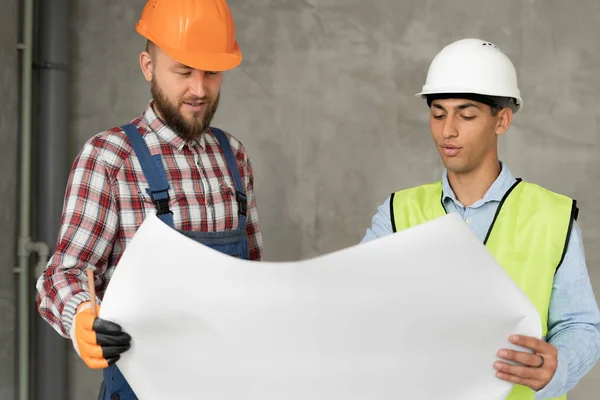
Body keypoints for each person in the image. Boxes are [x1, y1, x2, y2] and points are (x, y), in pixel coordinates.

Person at [35, 0, 263, 398]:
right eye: (183, 71)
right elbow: (61, 276)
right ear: (148, 67)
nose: (199, 88)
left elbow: (257, 279)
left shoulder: (234, 156)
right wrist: (82, 318)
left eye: (211, 72)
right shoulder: (110, 158)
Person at [361, 38, 600, 399]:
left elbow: (579, 323)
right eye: (438, 113)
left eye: (466, 115)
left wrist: (559, 365)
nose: (447, 131)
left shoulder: (552, 216)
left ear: (501, 120)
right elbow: (357, 303)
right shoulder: (396, 214)